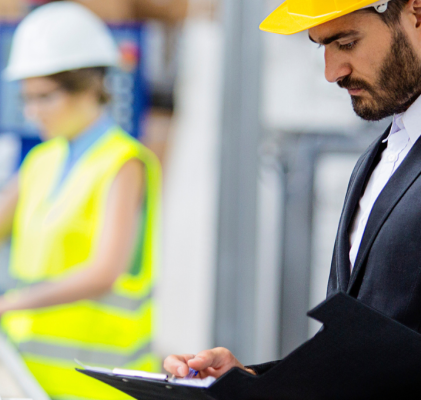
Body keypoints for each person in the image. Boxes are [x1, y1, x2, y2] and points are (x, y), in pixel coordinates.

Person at [165, 0, 421, 378]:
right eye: (323, 47)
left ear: (415, 12)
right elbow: (362, 358)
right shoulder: (382, 156)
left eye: (347, 43)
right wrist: (252, 384)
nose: (332, 72)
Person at [0, 3, 161, 399]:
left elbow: (104, 272)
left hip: (100, 383)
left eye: (45, 97)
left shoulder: (123, 163)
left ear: (90, 88)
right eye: (26, 99)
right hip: (31, 376)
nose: (33, 112)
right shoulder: (42, 161)